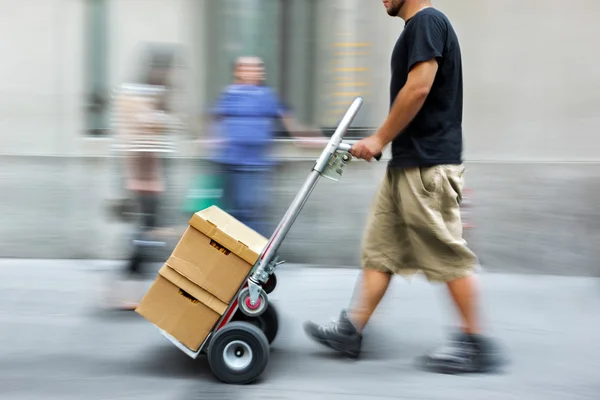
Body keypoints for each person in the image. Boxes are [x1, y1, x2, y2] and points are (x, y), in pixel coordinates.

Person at [303, 0, 504, 374]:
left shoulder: (427, 22)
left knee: (445, 254)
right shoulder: (417, 29)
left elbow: (418, 88)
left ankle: (476, 344)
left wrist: (379, 138)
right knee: (381, 250)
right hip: (408, 164)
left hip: (427, 167)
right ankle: (352, 330)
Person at [209, 56, 322, 237]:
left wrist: (306, 138)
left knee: (251, 209)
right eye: (249, 68)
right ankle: (232, 256)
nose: (256, 71)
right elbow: (216, 120)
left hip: (254, 163)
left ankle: (254, 253)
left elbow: (288, 121)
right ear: (237, 71)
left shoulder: (266, 95)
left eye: (258, 68)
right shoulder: (230, 94)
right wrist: (212, 140)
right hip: (229, 161)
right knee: (231, 211)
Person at [109, 48, 179, 310]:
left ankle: (129, 290)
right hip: (140, 179)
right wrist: (160, 115)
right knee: (144, 234)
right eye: (167, 71)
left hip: (152, 178)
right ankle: (125, 291)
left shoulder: (154, 96)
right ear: (155, 71)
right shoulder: (136, 95)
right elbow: (145, 128)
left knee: (146, 234)